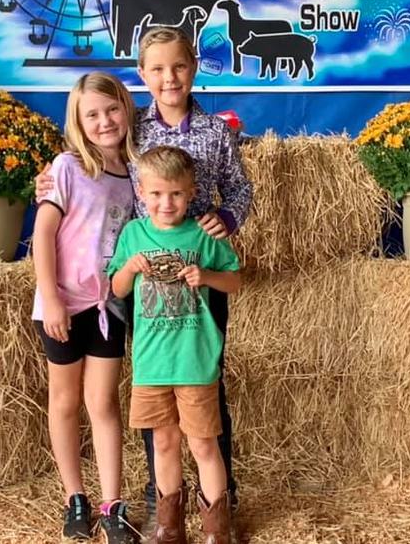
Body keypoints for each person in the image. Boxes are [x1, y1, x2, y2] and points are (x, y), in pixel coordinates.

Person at [38, 26, 253, 530]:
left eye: (178, 66)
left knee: (208, 384)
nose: (169, 78)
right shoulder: (133, 127)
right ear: (142, 75)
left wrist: (227, 218)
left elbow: (240, 189)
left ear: (193, 68)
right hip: (144, 279)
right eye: (157, 69)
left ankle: (220, 502)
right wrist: (47, 179)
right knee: (153, 384)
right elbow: (93, 151)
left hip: (200, 271)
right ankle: (164, 501)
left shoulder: (215, 132)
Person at [108, 146, 241, 544]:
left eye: (176, 194)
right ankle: (170, 528)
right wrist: (130, 268)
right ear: (141, 192)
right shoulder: (133, 234)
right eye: (156, 194)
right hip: (152, 363)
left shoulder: (203, 234)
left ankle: (216, 530)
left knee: (203, 443)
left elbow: (234, 280)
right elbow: (117, 288)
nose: (166, 203)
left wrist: (206, 277)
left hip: (194, 360)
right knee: (163, 442)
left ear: (191, 192)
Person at [31, 72, 140, 544]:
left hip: (107, 306)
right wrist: (52, 297)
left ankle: (112, 504)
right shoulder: (68, 168)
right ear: (77, 122)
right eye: (91, 115)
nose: (104, 121)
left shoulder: (136, 174)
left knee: (104, 402)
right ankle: (74, 496)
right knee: (65, 400)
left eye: (112, 109)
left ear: (126, 109)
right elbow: (43, 233)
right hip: (62, 305)